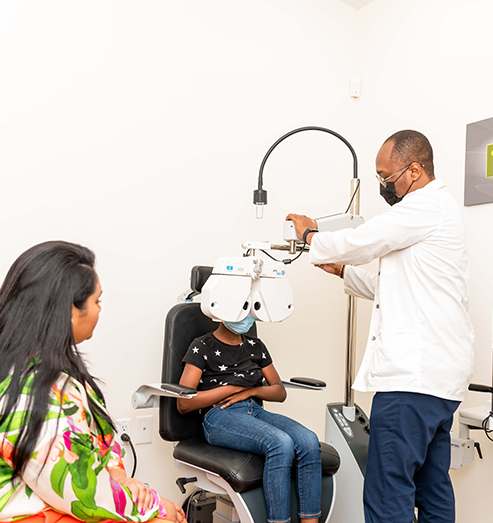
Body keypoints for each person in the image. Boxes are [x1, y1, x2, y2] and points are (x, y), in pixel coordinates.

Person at [286, 130, 474, 523]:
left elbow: (364, 239)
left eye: (386, 177)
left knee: (389, 487)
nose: (383, 185)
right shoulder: (440, 211)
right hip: (439, 381)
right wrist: (343, 272)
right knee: (432, 484)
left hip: (412, 381)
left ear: (415, 170)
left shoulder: (424, 206)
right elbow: (395, 286)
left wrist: (310, 235)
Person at [0, 241, 186, 523]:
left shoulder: (13, 363)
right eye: (96, 301)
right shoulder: (30, 393)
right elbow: (80, 491)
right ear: (70, 312)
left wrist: (118, 474)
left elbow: (100, 433)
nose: (100, 310)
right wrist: (158, 507)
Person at [176, 317, 322, 523]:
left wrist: (250, 391)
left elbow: (279, 392)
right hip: (219, 415)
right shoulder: (202, 346)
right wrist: (234, 388)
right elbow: (184, 404)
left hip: (254, 410)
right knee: (280, 443)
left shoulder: (256, 346)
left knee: (308, 440)